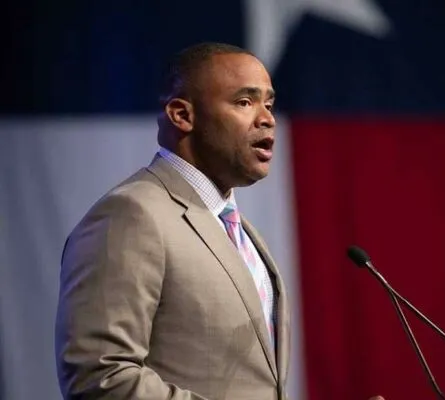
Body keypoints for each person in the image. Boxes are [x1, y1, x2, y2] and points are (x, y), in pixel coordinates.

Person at [54, 42, 289, 399]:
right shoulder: (131, 216)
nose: (267, 119)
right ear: (182, 115)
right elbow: (100, 376)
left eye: (268, 104)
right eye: (244, 102)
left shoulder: (240, 231)